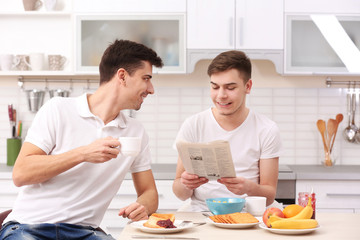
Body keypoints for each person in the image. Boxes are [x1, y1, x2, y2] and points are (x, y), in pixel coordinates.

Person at [0, 39, 163, 240]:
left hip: (85, 233)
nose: (151, 88)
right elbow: (21, 173)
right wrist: (83, 153)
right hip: (29, 226)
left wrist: (143, 206)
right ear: (122, 76)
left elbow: (149, 192)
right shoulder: (58, 109)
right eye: (146, 78)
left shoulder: (136, 132)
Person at [172, 50, 282, 212]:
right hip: (203, 213)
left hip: (248, 213)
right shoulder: (193, 125)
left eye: (230, 88)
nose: (221, 95)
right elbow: (179, 193)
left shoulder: (266, 129)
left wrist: (248, 188)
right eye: (215, 87)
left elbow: (269, 195)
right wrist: (186, 184)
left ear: (248, 86)